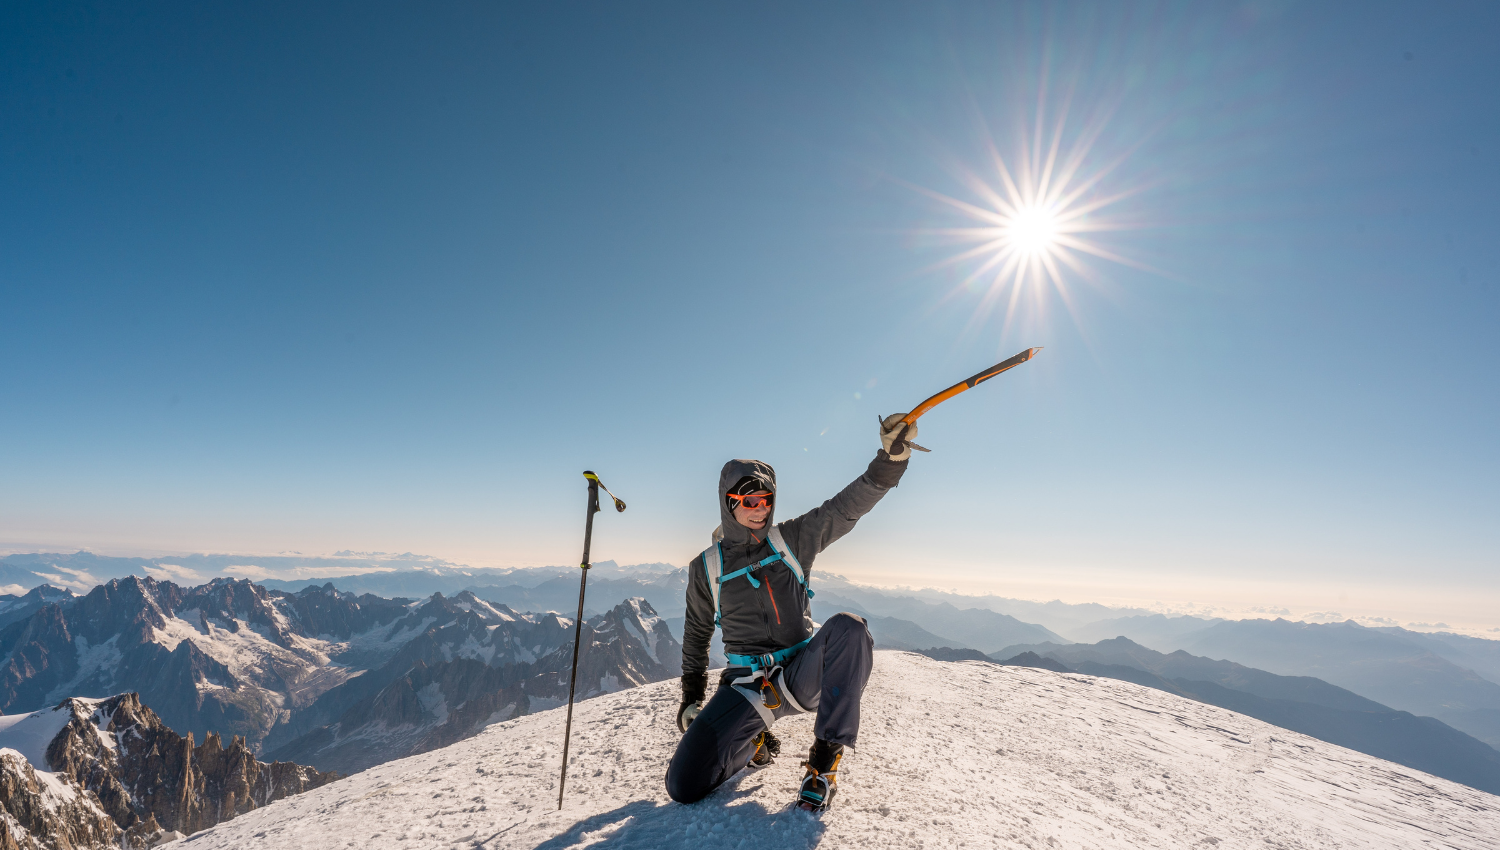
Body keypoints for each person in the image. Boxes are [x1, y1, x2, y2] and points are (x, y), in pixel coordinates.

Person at [665, 414, 918, 811]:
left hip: (802, 674)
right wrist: (691, 697)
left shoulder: (791, 540)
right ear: (729, 503)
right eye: (749, 502)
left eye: (766, 500)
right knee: (683, 784)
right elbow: (697, 632)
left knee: (850, 628)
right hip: (747, 685)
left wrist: (891, 460)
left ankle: (823, 766)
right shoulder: (707, 566)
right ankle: (753, 743)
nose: (760, 510)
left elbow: (845, 508)